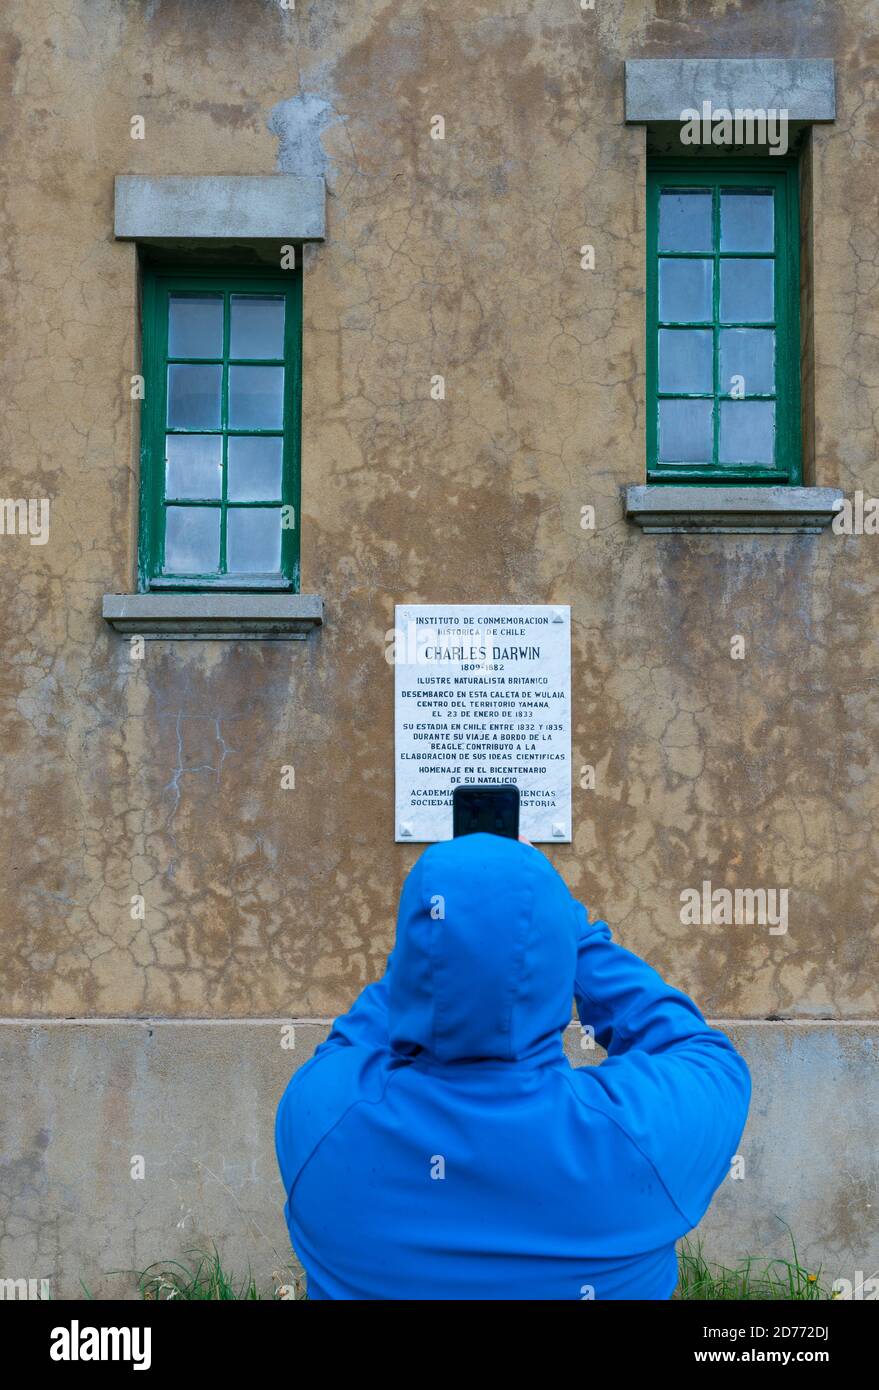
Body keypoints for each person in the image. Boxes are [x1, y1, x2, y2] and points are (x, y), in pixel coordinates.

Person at [275, 833, 751, 1299]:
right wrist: (573, 936)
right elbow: (701, 1052)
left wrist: (429, 951)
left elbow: (356, 1037)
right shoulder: (640, 1135)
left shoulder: (320, 1119)